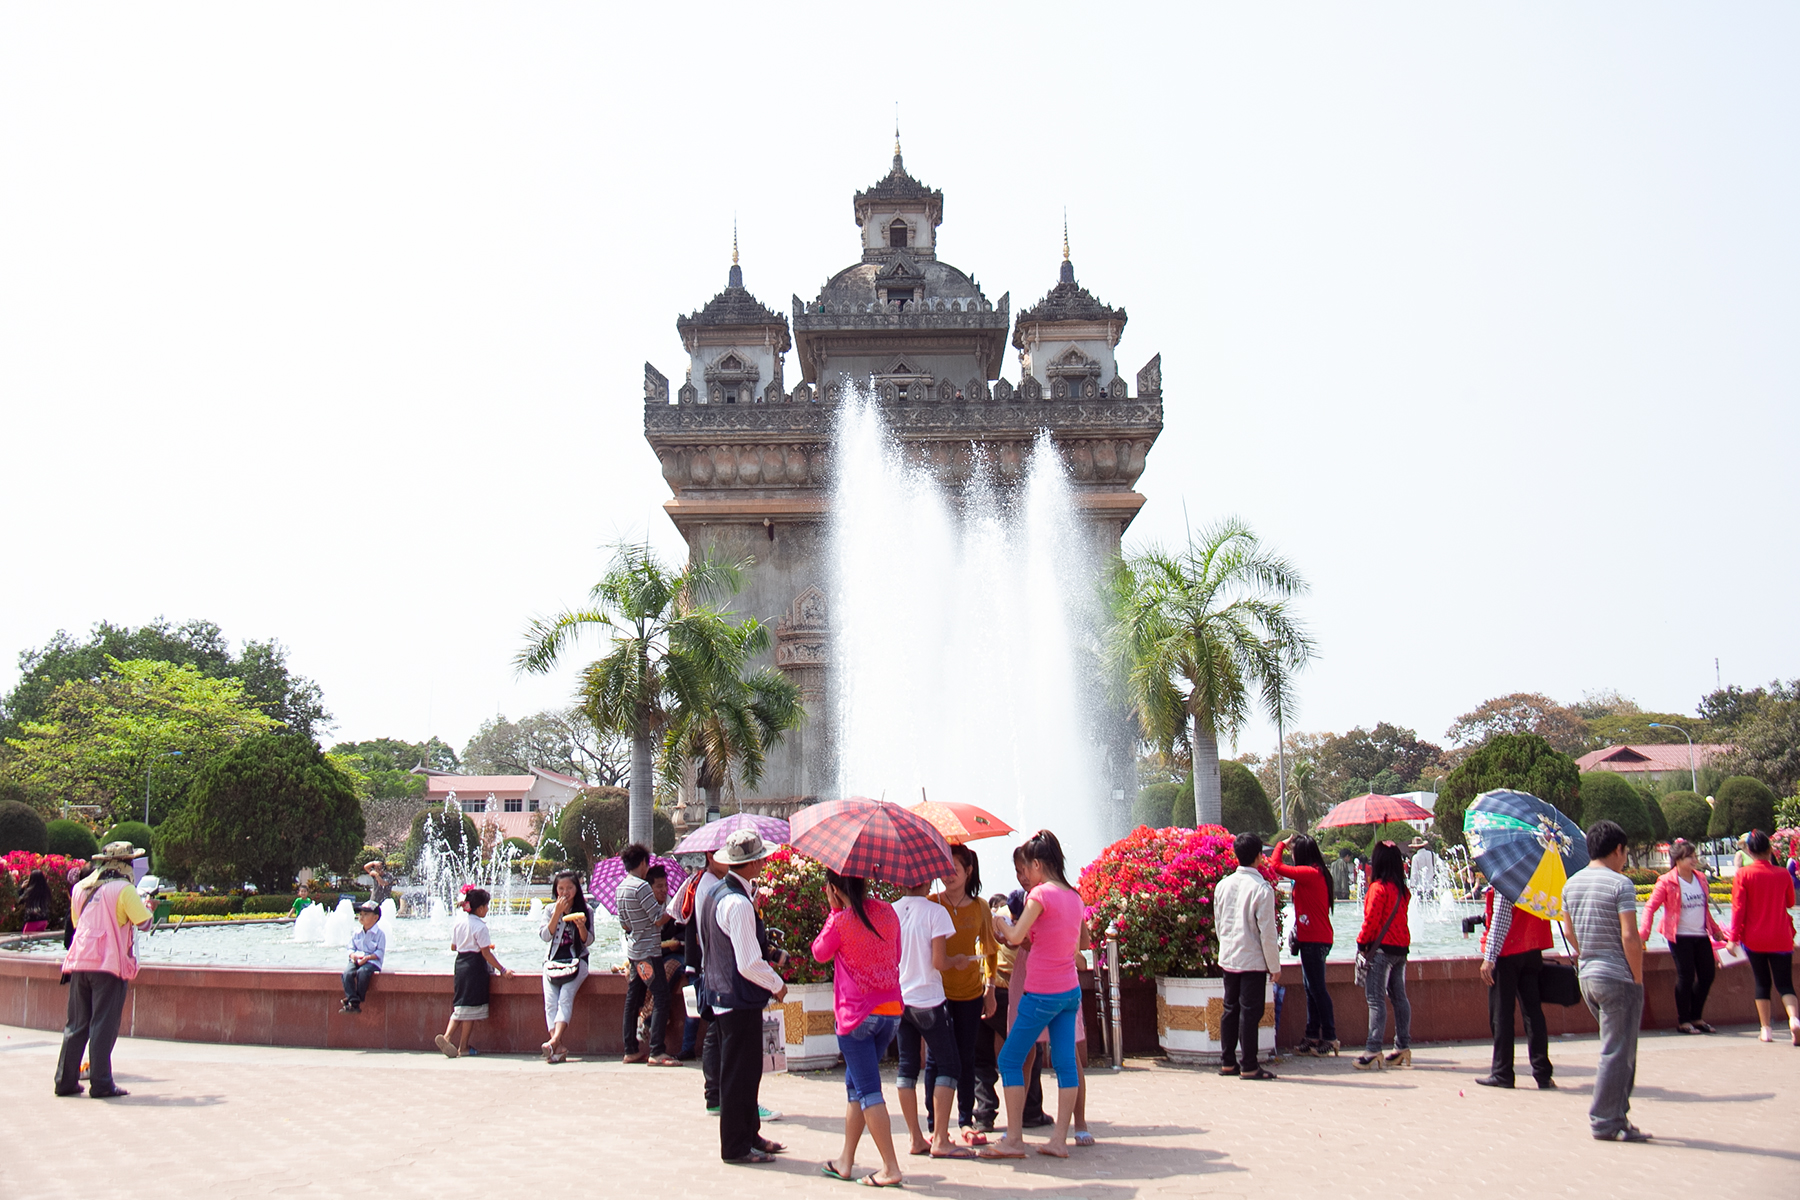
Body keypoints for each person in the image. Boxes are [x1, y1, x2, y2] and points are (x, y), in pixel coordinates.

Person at [983, 830, 1087, 1161]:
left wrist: (999, 922)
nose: (1025, 874)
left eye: (1027, 866)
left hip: (1041, 992)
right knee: (1065, 1063)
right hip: (1069, 991)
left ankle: (1014, 1139)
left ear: (1039, 864)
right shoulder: (1074, 896)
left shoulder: (1040, 894)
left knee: (1009, 1059)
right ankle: (1059, 1140)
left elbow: (1015, 936)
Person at [700, 830, 789, 1165]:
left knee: (746, 1071)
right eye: (760, 859)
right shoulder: (737, 903)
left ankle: (750, 1135)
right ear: (751, 864)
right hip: (737, 997)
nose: (763, 863)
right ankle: (736, 1146)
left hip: (725, 993)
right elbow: (749, 962)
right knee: (740, 1074)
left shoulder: (718, 893)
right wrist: (776, 984)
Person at [815, 868, 904, 1186]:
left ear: (834, 889)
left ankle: (890, 1167)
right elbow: (897, 954)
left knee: (868, 1091)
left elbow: (819, 953)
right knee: (856, 1085)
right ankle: (845, 1160)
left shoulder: (840, 921)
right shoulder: (887, 911)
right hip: (890, 1013)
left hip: (856, 1018)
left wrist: (834, 912)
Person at [1561, 819, 1649, 1141]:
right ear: (1618, 849)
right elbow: (1630, 936)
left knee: (1618, 1049)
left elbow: (1569, 932)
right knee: (1617, 1052)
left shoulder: (1571, 884)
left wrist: (1589, 952)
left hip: (1588, 976)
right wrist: (1636, 976)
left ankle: (1618, 1116)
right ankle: (1605, 1120)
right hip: (1617, 978)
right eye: (1625, 852)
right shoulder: (1620, 884)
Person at [55, 841, 153, 1098]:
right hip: (107, 965)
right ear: (126, 863)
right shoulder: (124, 889)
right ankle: (101, 1083)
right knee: (103, 1024)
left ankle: (65, 1081)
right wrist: (148, 908)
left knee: (76, 1024)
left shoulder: (81, 888)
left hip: (79, 961)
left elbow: (78, 922)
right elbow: (144, 923)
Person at [892, 874, 973, 1160]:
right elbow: (939, 961)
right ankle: (940, 1138)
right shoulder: (936, 912)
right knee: (949, 1065)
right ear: (927, 881)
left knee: (907, 1067)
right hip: (929, 999)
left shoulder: (891, 911)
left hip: (900, 1000)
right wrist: (957, 961)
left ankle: (915, 1137)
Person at [927, 843, 998, 1145]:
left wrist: (990, 990)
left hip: (970, 993)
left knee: (966, 1057)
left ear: (969, 871)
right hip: (936, 993)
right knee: (935, 1058)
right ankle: (934, 1123)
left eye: (955, 869)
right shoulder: (931, 903)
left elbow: (991, 950)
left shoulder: (980, 907)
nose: (949, 875)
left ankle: (966, 1119)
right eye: (944, 869)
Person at [1638, 838, 1727, 1034]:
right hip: (1679, 935)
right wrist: (1644, 932)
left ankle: (1696, 1017)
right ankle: (1683, 1021)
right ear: (1678, 859)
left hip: (1701, 934)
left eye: (1695, 856)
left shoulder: (1700, 878)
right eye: (1689, 857)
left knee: (1707, 975)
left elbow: (1704, 908)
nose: (1694, 860)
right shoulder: (1667, 881)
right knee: (1685, 976)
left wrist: (1715, 930)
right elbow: (1650, 907)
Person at [1474, 882, 1554, 1088]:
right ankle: (1543, 1073)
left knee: (1501, 1014)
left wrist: (1489, 957)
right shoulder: (1536, 877)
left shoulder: (1508, 878)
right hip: (1532, 948)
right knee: (1533, 1013)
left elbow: (1501, 918)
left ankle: (1502, 1072)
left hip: (1507, 953)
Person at [1214, 832, 1280, 1080]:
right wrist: (1274, 965)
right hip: (1252, 959)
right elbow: (1268, 933)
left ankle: (1227, 1062)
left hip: (1229, 956)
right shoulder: (1261, 889)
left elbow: (1219, 923)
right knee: (1250, 1012)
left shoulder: (1223, 885)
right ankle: (1249, 1065)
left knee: (1230, 1009)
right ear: (1259, 857)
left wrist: (1225, 947)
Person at [1726, 829, 1800, 1045]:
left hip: (1754, 938)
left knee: (1762, 982)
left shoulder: (1743, 875)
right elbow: (1790, 902)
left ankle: (1766, 1029)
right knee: (1785, 984)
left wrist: (1732, 938)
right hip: (1781, 937)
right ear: (1770, 850)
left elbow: (1738, 909)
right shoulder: (1783, 874)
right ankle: (1794, 1019)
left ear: (1749, 851)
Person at [1272, 834, 1337, 1055]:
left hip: (1314, 939)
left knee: (1317, 989)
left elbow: (1275, 866)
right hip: (1314, 938)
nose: (1292, 855)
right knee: (1312, 989)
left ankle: (1330, 1036)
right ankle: (1312, 1035)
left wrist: (1281, 844)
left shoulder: (1310, 873)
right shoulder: (1317, 872)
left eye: (1293, 852)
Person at [1354, 840, 1413, 1070]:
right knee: (1399, 998)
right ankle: (1402, 1047)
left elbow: (1371, 921)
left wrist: (1361, 943)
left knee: (1375, 999)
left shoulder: (1377, 888)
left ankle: (1373, 1049)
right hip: (1400, 949)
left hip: (1381, 951)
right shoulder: (1402, 890)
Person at [617, 842, 676, 1066]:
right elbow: (658, 919)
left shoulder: (621, 887)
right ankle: (657, 1050)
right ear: (642, 862)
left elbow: (624, 925)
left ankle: (630, 1049)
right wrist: (675, 908)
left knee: (633, 999)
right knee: (661, 996)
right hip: (648, 953)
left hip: (634, 952)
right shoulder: (641, 887)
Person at [436, 887, 509, 1058]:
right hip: (475, 967)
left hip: (460, 964)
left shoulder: (459, 923)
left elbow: (454, 947)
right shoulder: (480, 927)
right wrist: (502, 969)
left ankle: (448, 1037)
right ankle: (462, 1046)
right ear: (481, 908)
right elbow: (486, 953)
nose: (488, 909)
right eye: (487, 906)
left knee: (461, 1004)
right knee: (470, 1009)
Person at [539, 868, 593, 1062]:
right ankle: (558, 1046)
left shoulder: (586, 910)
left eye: (569, 888)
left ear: (576, 889)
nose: (565, 892)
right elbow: (545, 936)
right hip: (552, 961)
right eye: (561, 888)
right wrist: (556, 914)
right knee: (550, 1002)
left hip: (576, 961)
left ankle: (553, 1042)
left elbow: (588, 941)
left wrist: (581, 926)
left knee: (565, 998)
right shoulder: (549, 910)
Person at [339, 901, 385, 1013]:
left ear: (375, 918)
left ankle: (354, 1000)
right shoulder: (356, 933)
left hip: (372, 962)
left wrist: (368, 958)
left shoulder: (380, 934)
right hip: (356, 960)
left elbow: (380, 952)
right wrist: (353, 955)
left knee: (363, 973)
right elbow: (350, 948)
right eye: (360, 914)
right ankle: (353, 1000)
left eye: (366, 914)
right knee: (347, 974)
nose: (361, 917)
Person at [20, 868, 52, 934]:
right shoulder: (46, 890)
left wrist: (22, 889)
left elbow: (20, 901)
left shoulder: (30, 891)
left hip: (32, 919)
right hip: (44, 919)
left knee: (26, 938)